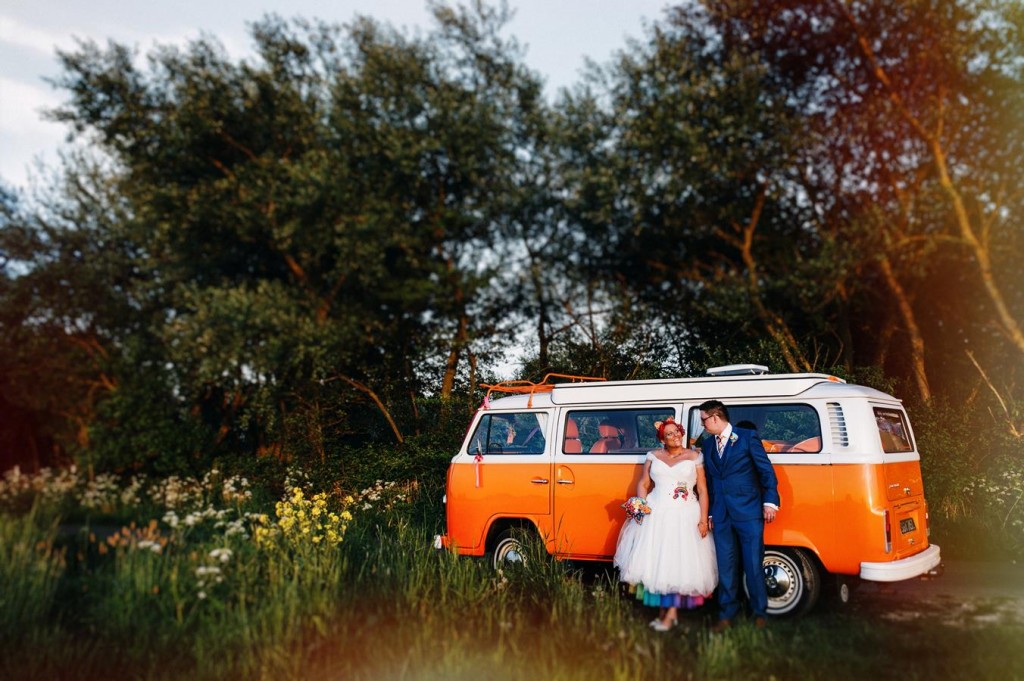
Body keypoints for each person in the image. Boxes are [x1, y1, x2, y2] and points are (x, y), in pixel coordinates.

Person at [614, 417, 717, 631]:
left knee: (679, 562)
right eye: (669, 434)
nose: (675, 436)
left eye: (677, 431)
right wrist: (641, 504)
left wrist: (703, 519)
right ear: (662, 439)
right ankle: (664, 611)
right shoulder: (653, 456)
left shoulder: (695, 457)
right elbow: (643, 483)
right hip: (656, 513)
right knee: (658, 562)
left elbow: (703, 490)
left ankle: (671, 614)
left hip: (685, 514)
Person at [698, 400, 780, 630]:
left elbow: (766, 472)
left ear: (715, 417)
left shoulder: (747, 437)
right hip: (722, 514)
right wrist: (713, 513)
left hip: (749, 512)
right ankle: (726, 614)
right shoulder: (707, 444)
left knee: (753, 564)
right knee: (725, 565)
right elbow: (713, 481)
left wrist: (771, 502)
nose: (702, 425)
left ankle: (759, 613)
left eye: (703, 420)